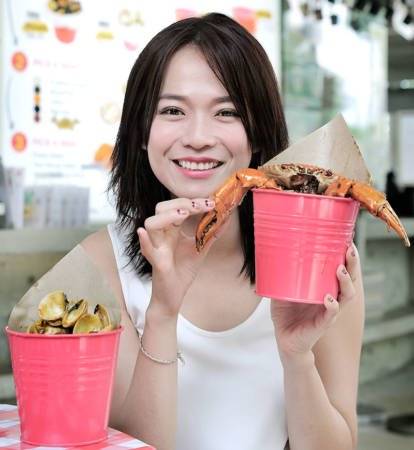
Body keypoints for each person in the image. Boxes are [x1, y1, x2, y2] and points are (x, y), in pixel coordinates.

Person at [81, 13, 364, 450]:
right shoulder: (100, 263)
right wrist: (162, 313)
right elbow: (134, 445)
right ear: (141, 132)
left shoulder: (323, 261)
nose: (198, 137)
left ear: (258, 134)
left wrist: (297, 357)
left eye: (226, 112)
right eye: (172, 110)